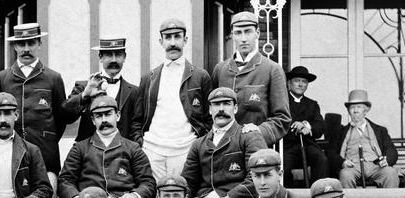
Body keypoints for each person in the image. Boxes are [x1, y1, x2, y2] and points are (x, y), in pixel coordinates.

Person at [0, 22, 70, 198]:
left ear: (39, 44)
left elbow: (61, 117)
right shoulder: (2, 78)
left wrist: (44, 140)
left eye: (31, 43)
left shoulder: (53, 78)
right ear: (15, 47)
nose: (26, 49)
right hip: (8, 158)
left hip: (44, 157)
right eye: (21, 44)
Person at [178, 87, 268, 198]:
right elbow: (187, 181)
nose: (221, 109)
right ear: (210, 109)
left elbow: (258, 177)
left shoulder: (248, 136)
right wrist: (176, 197)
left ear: (235, 108)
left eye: (226, 104)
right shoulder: (199, 143)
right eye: (216, 104)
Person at [58, 95, 155, 198]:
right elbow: (65, 180)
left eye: (108, 114)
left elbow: (148, 182)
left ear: (118, 115)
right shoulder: (80, 148)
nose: (104, 120)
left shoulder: (132, 148)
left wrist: (134, 195)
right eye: (98, 116)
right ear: (93, 120)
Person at [131, 18, 213, 182]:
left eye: (177, 36)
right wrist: (141, 144)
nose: (173, 42)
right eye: (168, 37)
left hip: (186, 150)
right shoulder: (149, 78)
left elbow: (209, 118)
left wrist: (198, 145)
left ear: (185, 40)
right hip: (152, 151)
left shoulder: (200, 76)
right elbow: (137, 120)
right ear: (161, 41)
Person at [211, 12, 290, 146]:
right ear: (232, 35)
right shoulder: (220, 69)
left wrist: (258, 132)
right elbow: (211, 111)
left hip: (257, 151)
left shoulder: (272, 69)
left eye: (248, 32)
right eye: (238, 33)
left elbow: (282, 119)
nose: (243, 39)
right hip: (223, 149)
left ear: (257, 33)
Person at [62, 37, 138, 141]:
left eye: (118, 55)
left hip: (121, 154)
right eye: (109, 55)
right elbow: (65, 116)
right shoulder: (84, 86)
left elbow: (137, 127)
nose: (114, 60)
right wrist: (84, 95)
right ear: (100, 57)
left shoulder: (134, 92)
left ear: (124, 57)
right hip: (88, 153)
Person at [326, 89, 399, 188]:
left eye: (359, 107)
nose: (355, 110)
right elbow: (331, 152)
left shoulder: (380, 130)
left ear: (365, 110)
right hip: (352, 167)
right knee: (345, 174)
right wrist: (342, 162)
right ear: (348, 111)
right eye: (352, 107)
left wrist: (387, 160)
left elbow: (391, 149)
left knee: (390, 173)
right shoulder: (340, 132)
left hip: (375, 166)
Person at [283, 66, 328, 186]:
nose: (300, 84)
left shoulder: (312, 104)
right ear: (289, 83)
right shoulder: (282, 102)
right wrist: (294, 125)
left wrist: (306, 125)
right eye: (297, 81)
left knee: (321, 159)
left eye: (304, 81)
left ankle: (317, 193)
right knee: (284, 168)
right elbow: (277, 122)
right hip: (287, 146)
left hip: (307, 145)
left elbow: (320, 127)